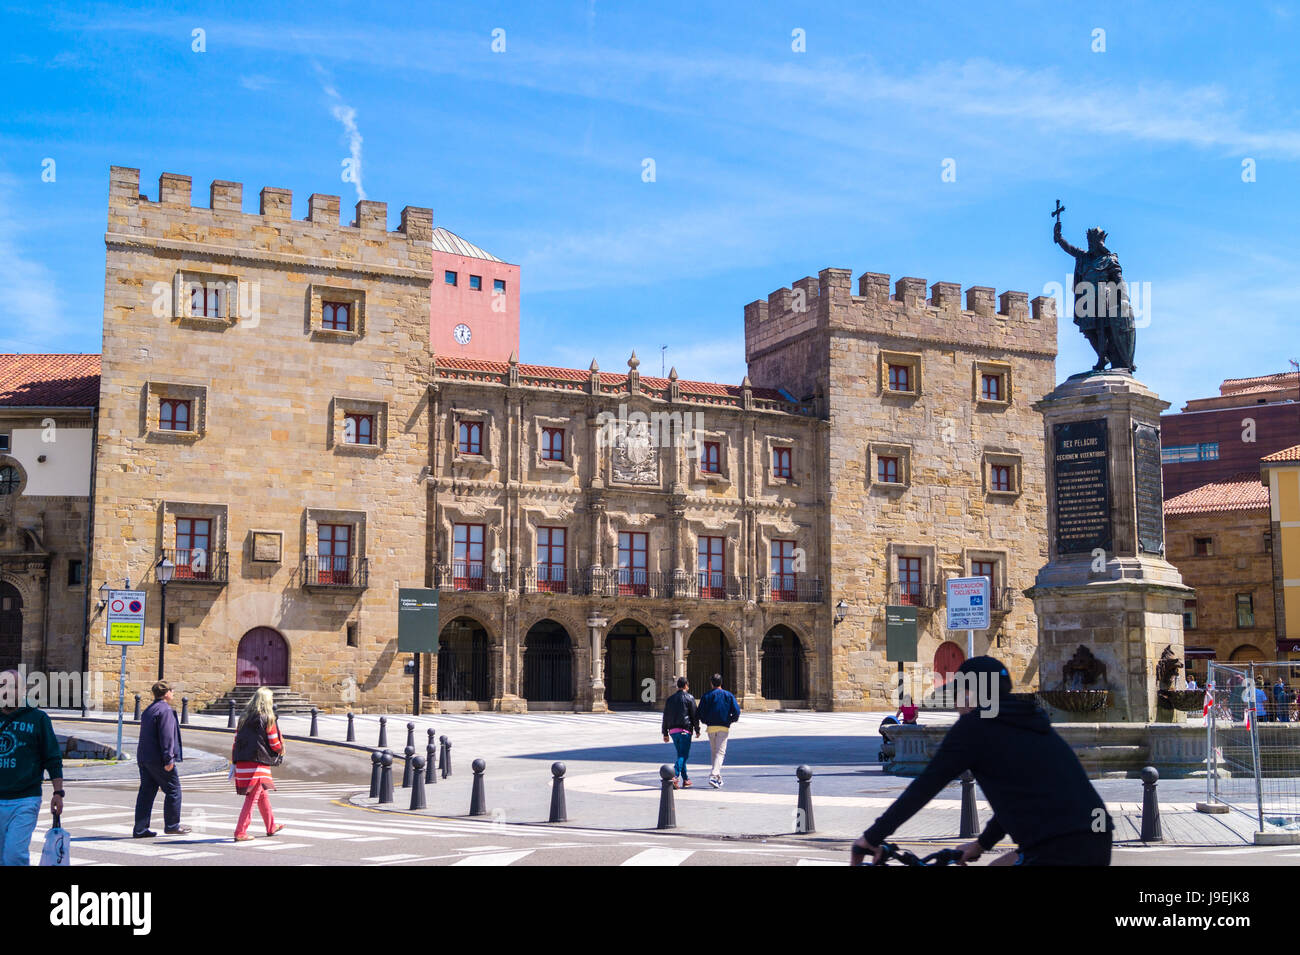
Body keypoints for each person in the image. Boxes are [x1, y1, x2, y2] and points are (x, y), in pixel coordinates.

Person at [851, 657, 1112, 867]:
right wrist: (981, 845)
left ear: (971, 694)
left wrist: (872, 837)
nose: (955, 702)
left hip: (1056, 848)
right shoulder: (1031, 720)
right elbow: (1022, 799)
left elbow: (926, 786)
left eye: (958, 692)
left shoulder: (974, 727)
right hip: (1096, 837)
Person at [0, 668, 64, 866]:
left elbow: (52, 757)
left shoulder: (37, 719)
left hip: (25, 799)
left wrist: (58, 793)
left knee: (13, 855)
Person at [133, 681, 191, 837]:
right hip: (159, 759)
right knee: (173, 790)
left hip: (144, 757)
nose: (173, 693)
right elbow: (167, 737)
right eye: (172, 691)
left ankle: (140, 829)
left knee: (146, 793)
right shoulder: (165, 710)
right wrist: (169, 759)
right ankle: (172, 825)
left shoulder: (148, 710)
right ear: (166, 693)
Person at [231, 687, 286, 842]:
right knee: (252, 799)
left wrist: (234, 761)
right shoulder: (268, 718)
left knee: (262, 796)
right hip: (257, 764)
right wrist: (281, 749)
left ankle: (271, 826)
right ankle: (240, 832)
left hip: (242, 763)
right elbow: (274, 743)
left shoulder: (243, 718)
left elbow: (235, 741)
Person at [695, 673, 741, 789]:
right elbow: (736, 711)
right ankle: (713, 775)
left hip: (711, 728)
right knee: (720, 753)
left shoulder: (706, 696)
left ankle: (718, 778)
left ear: (711, 683)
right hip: (723, 727)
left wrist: (706, 721)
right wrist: (730, 720)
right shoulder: (728, 695)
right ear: (721, 683)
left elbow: (699, 712)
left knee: (714, 752)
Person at [661, 677, 699, 789]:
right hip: (684, 730)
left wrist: (665, 733)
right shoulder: (689, 698)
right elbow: (694, 715)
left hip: (673, 731)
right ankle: (674, 776)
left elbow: (665, 717)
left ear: (678, 686)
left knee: (680, 755)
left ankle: (686, 779)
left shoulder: (670, 699)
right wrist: (697, 729)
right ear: (686, 685)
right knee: (683, 755)